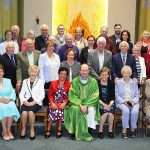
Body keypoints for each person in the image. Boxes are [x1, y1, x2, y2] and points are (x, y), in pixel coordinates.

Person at [64, 64, 100, 142]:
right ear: (80, 71)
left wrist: (86, 105)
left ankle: (88, 129)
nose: (84, 72)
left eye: (86, 70)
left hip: (90, 103)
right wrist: (80, 105)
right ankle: (74, 131)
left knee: (90, 110)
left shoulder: (93, 81)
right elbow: (72, 95)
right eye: (83, 70)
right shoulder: (75, 81)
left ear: (89, 71)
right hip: (77, 103)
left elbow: (95, 95)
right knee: (74, 108)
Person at [19, 65, 45, 140]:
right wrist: (24, 101)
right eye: (32, 72)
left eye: (35, 72)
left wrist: (34, 102)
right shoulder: (25, 81)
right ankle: (23, 129)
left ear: (37, 73)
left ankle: (32, 129)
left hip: (36, 102)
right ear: (29, 72)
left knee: (30, 112)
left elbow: (42, 95)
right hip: (26, 101)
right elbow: (21, 93)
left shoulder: (40, 82)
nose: (33, 73)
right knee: (24, 112)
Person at [45, 67, 71, 139]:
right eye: (61, 74)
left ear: (66, 76)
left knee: (60, 109)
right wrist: (52, 102)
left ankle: (57, 127)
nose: (62, 75)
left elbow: (69, 96)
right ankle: (49, 127)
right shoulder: (53, 83)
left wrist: (65, 103)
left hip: (64, 102)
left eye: (64, 74)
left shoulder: (69, 84)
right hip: (54, 101)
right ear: (59, 74)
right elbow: (50, 95)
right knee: (54, 108)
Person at [115, 66, 139, 139]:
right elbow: (116, 95)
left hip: (133, 102)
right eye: (124, 73)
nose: (126, 74)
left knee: (135, 111)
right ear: (122, 73)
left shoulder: (134, 82)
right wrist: (123, 101)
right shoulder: (118, 82)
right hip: (122, 102)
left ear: (130, 74)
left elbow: (137, 95)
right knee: (126, 110)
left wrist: (133, 102)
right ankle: (124, 129)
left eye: (128, 73)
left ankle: (132, 129)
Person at [0, 64, 20, 141]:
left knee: (12, 106)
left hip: (8, 100)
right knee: (3, 108)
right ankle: (4, 130)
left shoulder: (8, 81)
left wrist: (9, 99)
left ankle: (9, 130)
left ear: (3, 72)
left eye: (1, 71)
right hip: (0, 101)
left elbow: (12, 92)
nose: (0, 73)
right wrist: (1, 99)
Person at [38, 40, 60, 106]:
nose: (50, 48)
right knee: (46, 100)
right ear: (46, 47)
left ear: (54, 47)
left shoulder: (57, 56)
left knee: (54, 99)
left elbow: (58, 69)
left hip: (55, 81)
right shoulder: (42, 56)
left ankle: (53, 114)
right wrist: (42, 81)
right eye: (49, 46)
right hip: (46, 82)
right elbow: (40, 69)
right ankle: (46, 114)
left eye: (52, 46)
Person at [98, 67, 115, 139]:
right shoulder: (97, 82)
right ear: (100, 75)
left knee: (110, 114)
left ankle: (110, 130)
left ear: (108, 75)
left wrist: (109, 105)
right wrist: (104, 105)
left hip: (110, 103)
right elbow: (97, 97)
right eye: (102, 75)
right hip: (100, 102)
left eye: (105, 75)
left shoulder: (111, 83)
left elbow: (113, 97)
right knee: (105, 113)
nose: (104, 76)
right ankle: (100, 130)